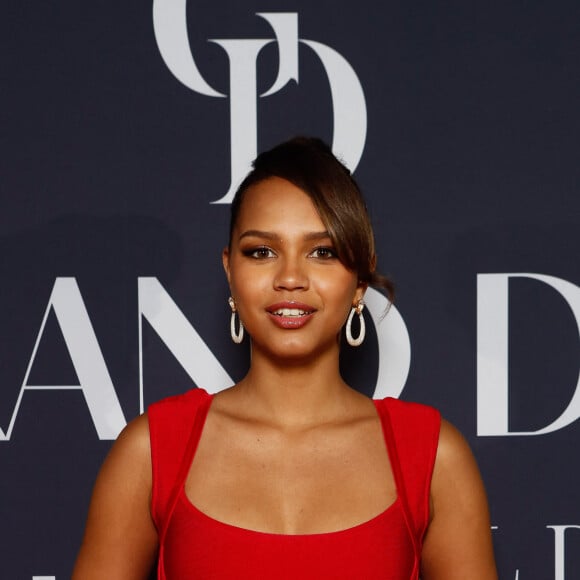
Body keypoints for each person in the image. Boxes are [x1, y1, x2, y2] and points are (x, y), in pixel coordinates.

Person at [73, 137, 497, 579]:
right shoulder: (153, 452)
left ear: (358, 281)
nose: (290, 277)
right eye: (262, 251)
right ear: (230, 271)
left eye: (322, 252)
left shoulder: (432, 458)